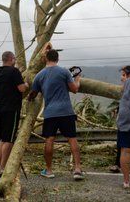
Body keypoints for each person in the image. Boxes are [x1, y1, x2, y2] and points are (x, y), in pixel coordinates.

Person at [27, 49, 84, 180]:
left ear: (46, 59)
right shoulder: (64, 72)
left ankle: (49, 170)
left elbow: (33, 94)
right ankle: (77, 169)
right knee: (72, 139)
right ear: (57, 59)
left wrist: (29, 98)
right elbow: (74, 89)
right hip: (66, 111)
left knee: (49, 140)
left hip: (50, 113)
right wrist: (78, 79)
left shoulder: (39, 75)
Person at [0, 51, 28, 177]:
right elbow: (22, 89)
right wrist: (26, 84)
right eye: (14, 59)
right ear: (12, 59)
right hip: (11, 109)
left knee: (3, 137)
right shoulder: (14, 71)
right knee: (9, 139)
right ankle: (2, 168)